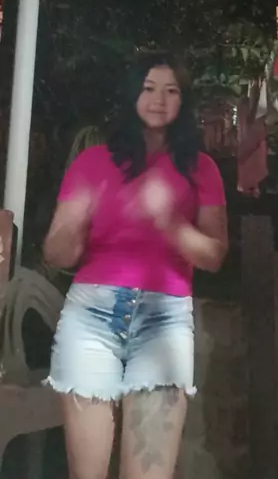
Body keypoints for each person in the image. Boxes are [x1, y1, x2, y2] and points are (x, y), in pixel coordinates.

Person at [43, 53, 228, 479]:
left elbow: (214, 255)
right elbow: (57, 254)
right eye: (148, 88)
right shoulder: (93, 162)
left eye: (171, 90)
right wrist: (70, 231)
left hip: (164, 322)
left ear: (184, 101)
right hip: (90, 319)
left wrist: (169, 222)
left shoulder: (202, 169)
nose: (159, 99)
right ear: (132, 95)